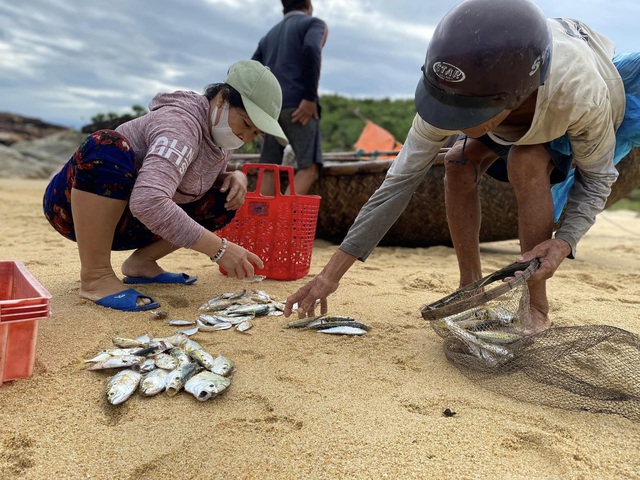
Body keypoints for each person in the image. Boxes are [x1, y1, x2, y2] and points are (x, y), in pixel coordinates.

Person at [284, 0, 640, 334]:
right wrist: (329, 276)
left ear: (512, 100)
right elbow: (397, 184)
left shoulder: (578, 93)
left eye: (467, 115)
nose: (453, 123)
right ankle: (468, 286)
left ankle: (536, 306)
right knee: (456, 161)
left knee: (525, 161)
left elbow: (596, 179)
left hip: (565, 110)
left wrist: (563, 243)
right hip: (513, 87)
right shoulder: (449, 88)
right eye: (449, 111)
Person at [43, 60, 288, 312]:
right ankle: (96, 276)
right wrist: (219, 249)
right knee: (106, 144)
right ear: (222, 99)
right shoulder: (180, 125)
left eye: (254, 134)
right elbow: (148, 199)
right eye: (246, 124)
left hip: (129, 220)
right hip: (73, 210)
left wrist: (232, 176)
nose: (244, 138)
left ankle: (142, 263)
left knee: (224, 198)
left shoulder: (218, 139)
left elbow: (187, 173)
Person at [251, 0, 328, 195]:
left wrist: (256, 112)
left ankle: (263, 223)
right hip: (299, 107)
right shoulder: (314, 23)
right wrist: (310, 97)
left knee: (268, 168)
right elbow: (312, 48)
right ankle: (282, 224)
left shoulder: (268, 36)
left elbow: (253, 70)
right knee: (309, 168)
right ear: (308, 4)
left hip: (270, 111)